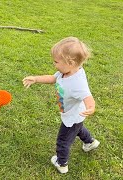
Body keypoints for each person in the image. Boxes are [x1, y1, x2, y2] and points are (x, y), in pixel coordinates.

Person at [22, 37, 100, 174]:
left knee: (63, 140)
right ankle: (90, 142)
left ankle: (62, 163)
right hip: (75, 115)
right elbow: (53, 78)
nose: (54, 64)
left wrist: (91, 108)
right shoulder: (66, 72)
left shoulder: (77, 83)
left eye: (56, 62)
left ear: (70, 63)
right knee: (79, 128)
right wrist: (36, 79)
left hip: (73, 116)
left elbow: (88, 97)